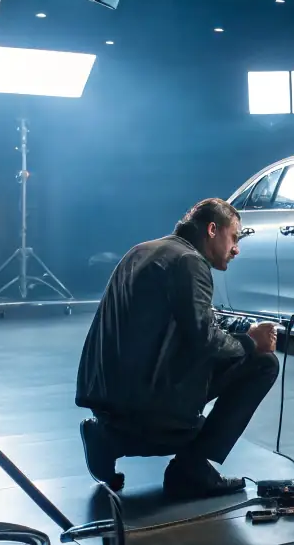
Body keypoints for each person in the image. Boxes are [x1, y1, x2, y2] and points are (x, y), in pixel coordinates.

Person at [76, 198, 280, 500]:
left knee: (225, 356)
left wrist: (240, 329)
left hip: (108, 395)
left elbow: (190, 319)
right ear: (212, 229)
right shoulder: (190, 261)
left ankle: (107, 437)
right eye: (234, 238)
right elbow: (206, 338)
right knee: (264, 363)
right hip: (148, 400)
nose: (236, 249)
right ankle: (192, 469)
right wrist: (251, 342)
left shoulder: (142, 251)